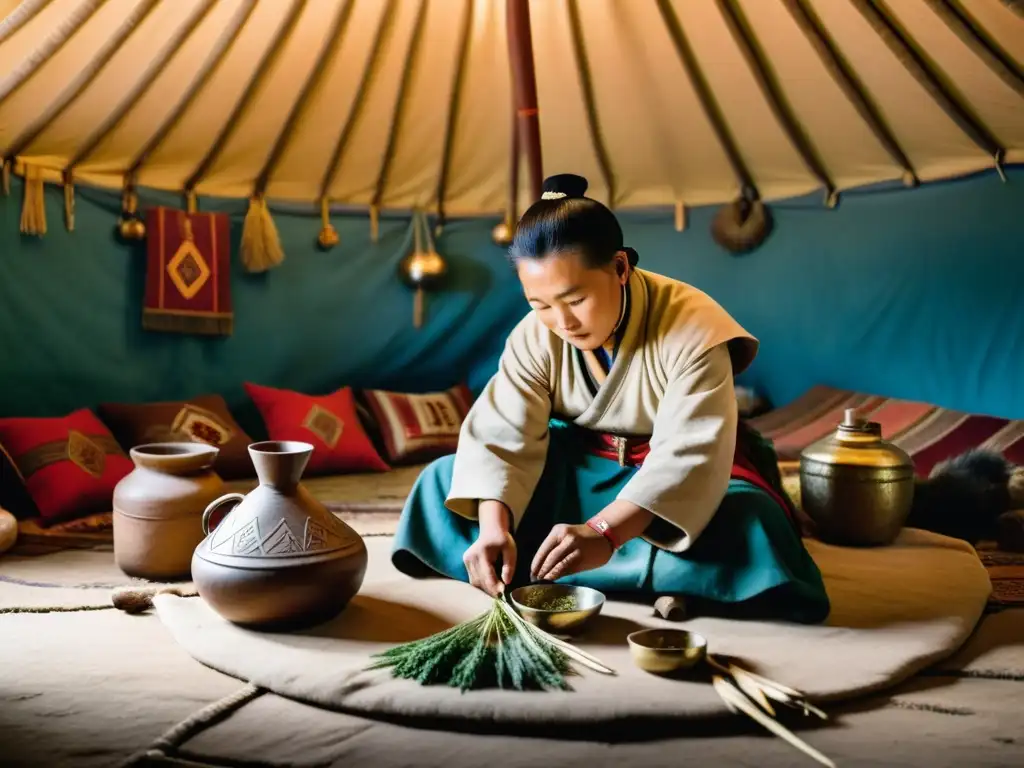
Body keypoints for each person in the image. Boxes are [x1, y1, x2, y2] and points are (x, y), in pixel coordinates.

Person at [391, 173, 830, 624]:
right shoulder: (535, 335)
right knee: (444, 481)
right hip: (577, 473)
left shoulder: (695, 329)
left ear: (620, 268)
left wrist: (604, 532)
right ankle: (655, 578)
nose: (561, 322)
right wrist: (492, 529)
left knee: (751, 521)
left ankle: (582, 564)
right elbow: (501, 435)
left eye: (575, 299)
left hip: (663, 485)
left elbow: (688, 455)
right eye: (539, 304)